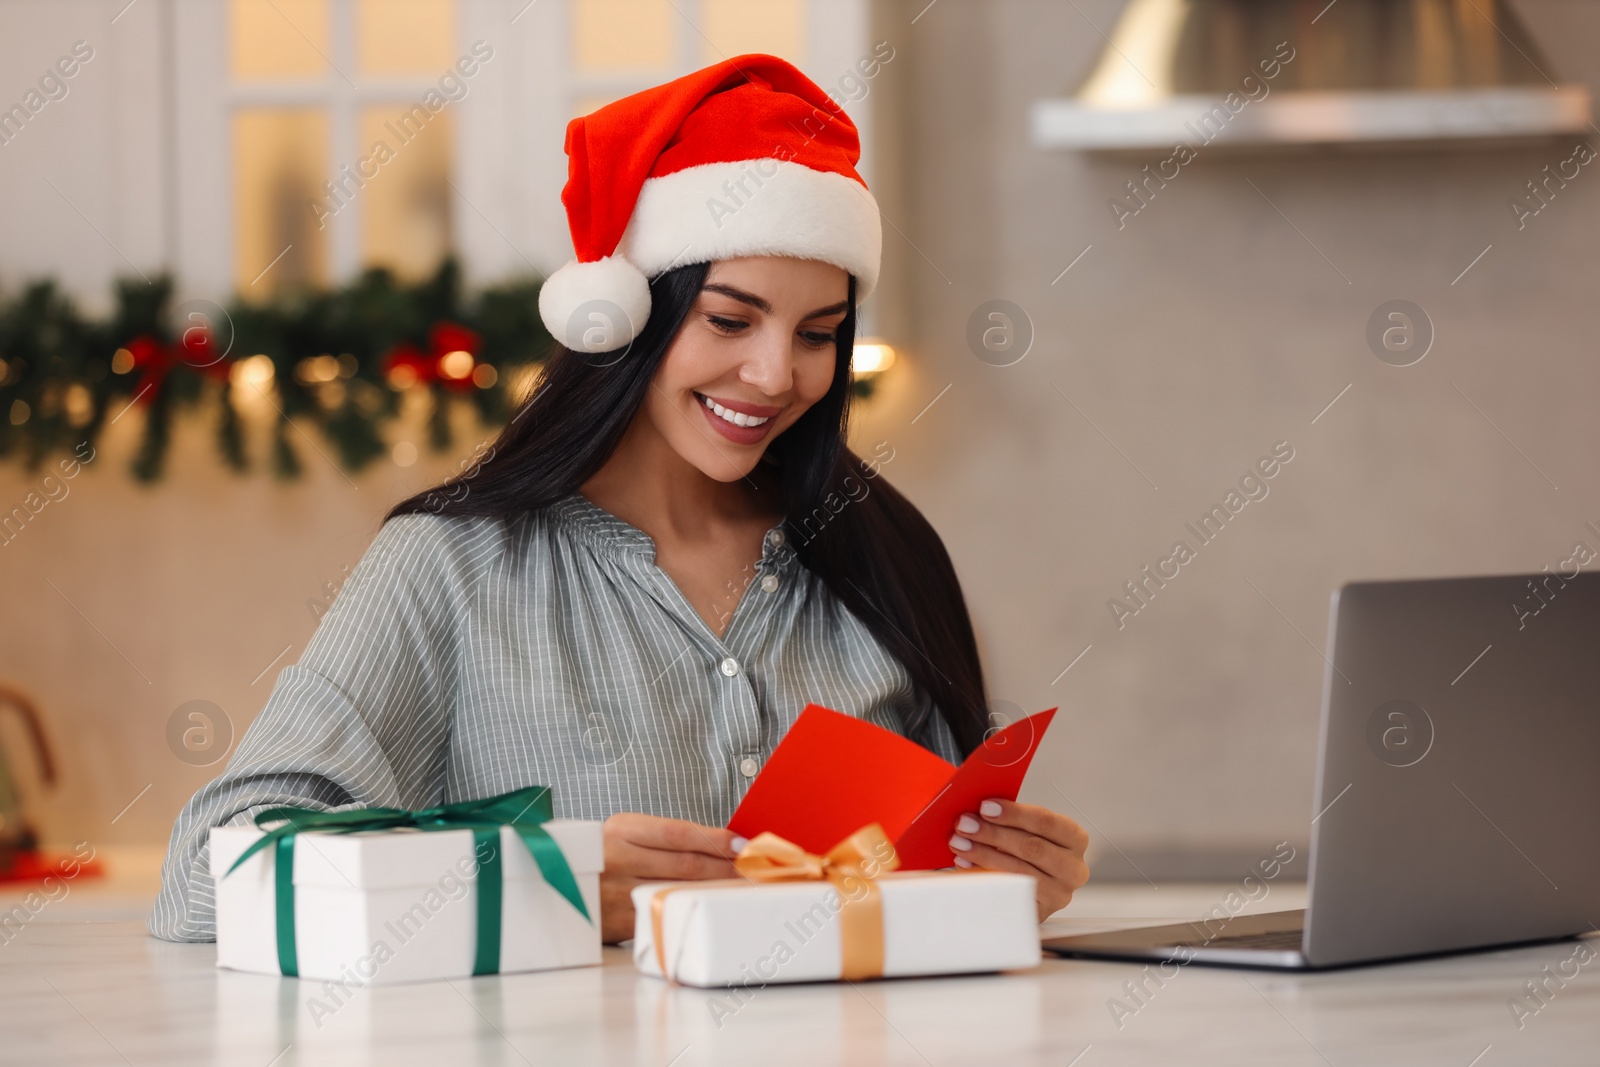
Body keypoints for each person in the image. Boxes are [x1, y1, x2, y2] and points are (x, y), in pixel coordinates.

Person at [151, 54, 1089, 945]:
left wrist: (1002, 885)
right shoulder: (451, 568)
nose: (775, 374)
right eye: (729, 318)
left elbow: (893, 892)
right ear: (628, 312)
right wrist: (534, 881)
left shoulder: (879, 555)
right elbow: (206, 874)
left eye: (819, 333)